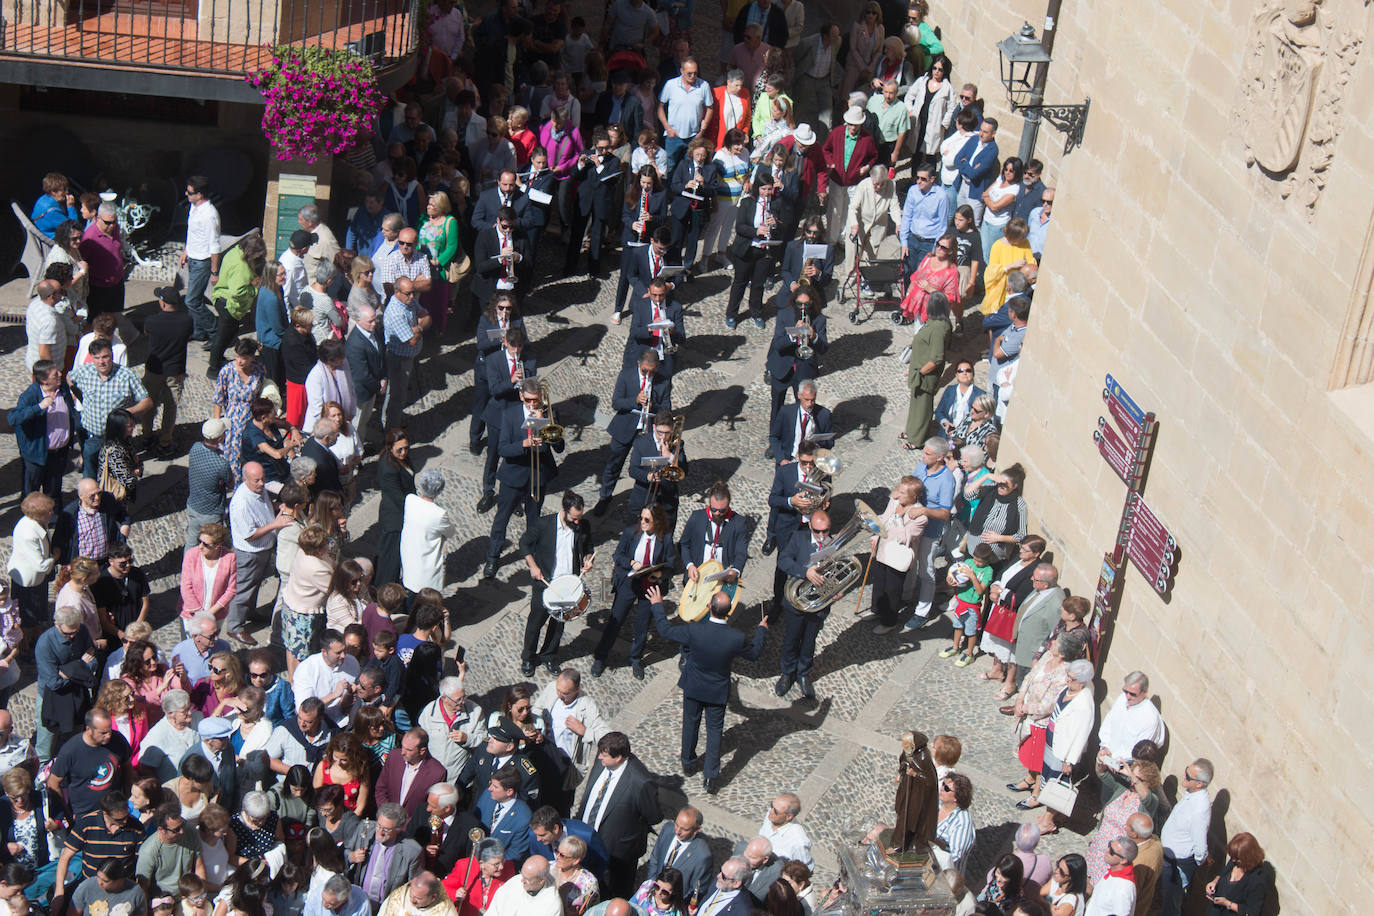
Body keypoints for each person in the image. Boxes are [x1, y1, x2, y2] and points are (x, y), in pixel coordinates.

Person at [592, 506, 677, 680]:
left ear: (657, 522)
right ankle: (600, 656)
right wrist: (631, 563)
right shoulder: (631, 532)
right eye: (642, 518)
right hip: (630, 582)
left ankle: (636, 658)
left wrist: (660, 573)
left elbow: (670, 564)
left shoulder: (665, 538)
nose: (642, 522)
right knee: (615, 620)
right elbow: (618, 555)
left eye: (647, 520)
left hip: (650, 584)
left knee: (642, 625)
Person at [519, 492, 594, 677]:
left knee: (559, 624)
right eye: (574, 518)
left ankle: (548, 655)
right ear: (564, 510)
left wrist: (587, 560)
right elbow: (524, 543)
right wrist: (533, 566)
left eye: (579, 518)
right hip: (545, 582)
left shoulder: (582, 526)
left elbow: (588, 547)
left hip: (568, 584)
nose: (577, 522)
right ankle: (528, 657)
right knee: (535, 622)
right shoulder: (544, 524)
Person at [576, 734, 658, 897]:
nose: (599, 757)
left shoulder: (640, 782)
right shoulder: (602, 764)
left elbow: (654, 815)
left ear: (619, 757)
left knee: (615, 890)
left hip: (618, 850)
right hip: (587, 839)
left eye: (604, 755)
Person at [226, 463, 294, 648]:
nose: (262, 483)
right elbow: (249, 535)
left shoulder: (259, 489)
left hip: (263, 548)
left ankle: (249, 612)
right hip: (250, 553)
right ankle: (234, 625)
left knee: (255, 584)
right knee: (244, 588)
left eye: (263, 478)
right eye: (257, 480)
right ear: (245, 479)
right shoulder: (241, 503)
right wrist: (275, 524)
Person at [67, 340, 152, 479]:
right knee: (89, 478)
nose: (101, 362)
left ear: (112, 355)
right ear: (92, 357)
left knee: (115, 480)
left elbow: (147, 402)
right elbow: (69, 378)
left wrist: (126, 414)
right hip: (93, 438)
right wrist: (78, 396)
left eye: (105, 357)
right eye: (97, 358)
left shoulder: (126, 375)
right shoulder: (84, 371)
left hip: (117, 440)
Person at [10, 362, 78, 506]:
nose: (60, 374)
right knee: (31, 494)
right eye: (55, 374)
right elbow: (13, 418)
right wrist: (39, 407)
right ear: (44, 381)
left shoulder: (62, 388)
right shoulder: (30, 396)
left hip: (59, 453)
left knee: (53, 490)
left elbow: (71, 412)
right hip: (37, 455)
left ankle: (53, 520)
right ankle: (29, 520)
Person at [868, 477, 928, 633]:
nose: (898, 494)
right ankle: (877, 610)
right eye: (899, 490)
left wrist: (899, 518)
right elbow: (884, 520)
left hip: (897, 556)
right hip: (883, 548)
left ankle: (889, 622)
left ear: (914, 496)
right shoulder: (894, 502)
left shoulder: (920, 517)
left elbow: (905, 539)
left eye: (902, 492)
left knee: (892, 590)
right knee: (879, 582)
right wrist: (875, 535)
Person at [1159, 759, 1213, 916]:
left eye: (1188, 776)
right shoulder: (1192, 795)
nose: (1184, 776)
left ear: (1199, 784)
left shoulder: (1199, 810)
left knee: (1171, 903)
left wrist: (1190, 864)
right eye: (1186, 771)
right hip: (1168, 856)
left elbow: (1200, 847)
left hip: (1177, 864)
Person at [902, 294, 952, 447]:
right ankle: (911, 431)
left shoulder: (938, 328)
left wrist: (920, 372)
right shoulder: (936, 323)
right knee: (916, 405)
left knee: (922, 409)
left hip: (925, 375)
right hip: (920, 372)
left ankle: (917, 440)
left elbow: (936, 357)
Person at [79, 202, 125, 317]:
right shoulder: (89, 238)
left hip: (116, 283)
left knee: (112, 317)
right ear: (98, 218)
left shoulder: (115, 229)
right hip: (98, 287)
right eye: (108, 223)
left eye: (114, 222)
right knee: (94, 320)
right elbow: (81, 260)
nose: (112, 226)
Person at [1084, 837, 1137, 916]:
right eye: (1109, 845)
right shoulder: (1112, 871)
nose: (1106, 851)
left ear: (1123, 860)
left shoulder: (1123, 889)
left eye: (1112, 851)